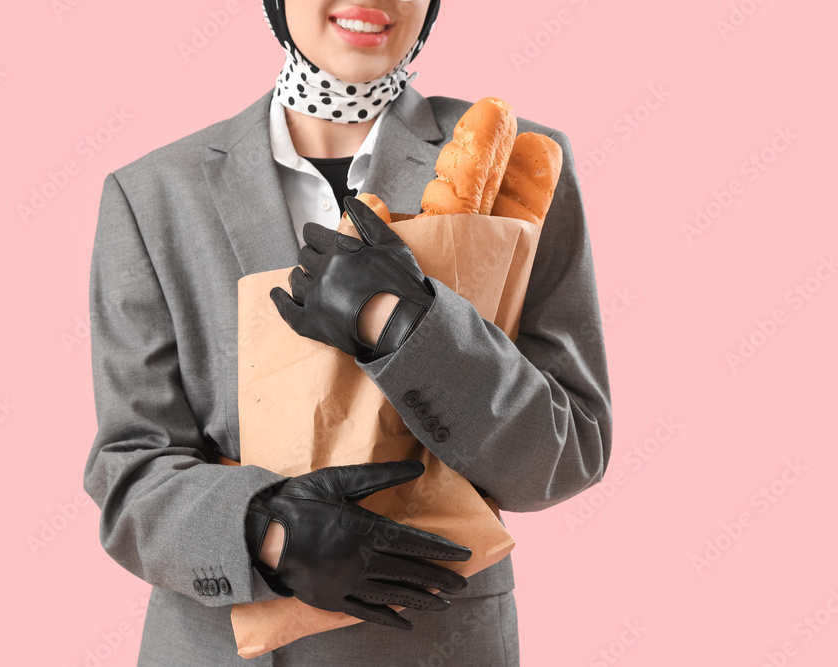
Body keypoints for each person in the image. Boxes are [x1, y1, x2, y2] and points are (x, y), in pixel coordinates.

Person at [83, 1, 613, 665]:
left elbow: (566, 453)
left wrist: (404, 324)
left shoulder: (521, 167)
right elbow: (130, 469)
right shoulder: (153, 195)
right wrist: (267, 532)